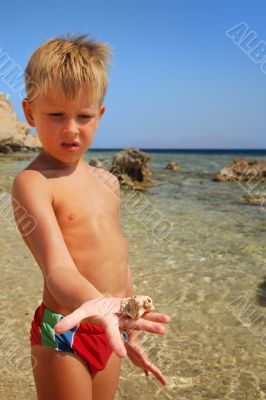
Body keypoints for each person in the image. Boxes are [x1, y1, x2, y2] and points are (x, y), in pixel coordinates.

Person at [12, 34, 171, 400]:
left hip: (110, 325)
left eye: (83, 116)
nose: (71, 129)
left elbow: (118, 257)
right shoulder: (33, 183)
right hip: (65, 331)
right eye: (56, 115)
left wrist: (127, 318)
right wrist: (101, 304)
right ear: (30, 112)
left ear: (99, 115)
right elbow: (58, 270)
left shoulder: (108, 182)